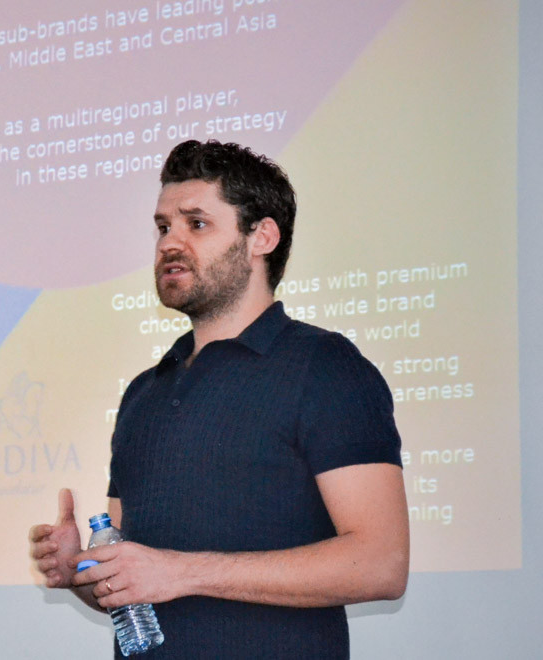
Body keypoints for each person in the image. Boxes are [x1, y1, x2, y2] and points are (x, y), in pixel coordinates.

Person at [28, 140, 409, 658]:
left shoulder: (324, 366)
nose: (170, 242)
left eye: (197, 224)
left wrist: (181, 572)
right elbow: (136, 586)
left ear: (262, 237)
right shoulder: (145, 392)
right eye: (163, 227)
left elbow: (382, 564)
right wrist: (81, 570)